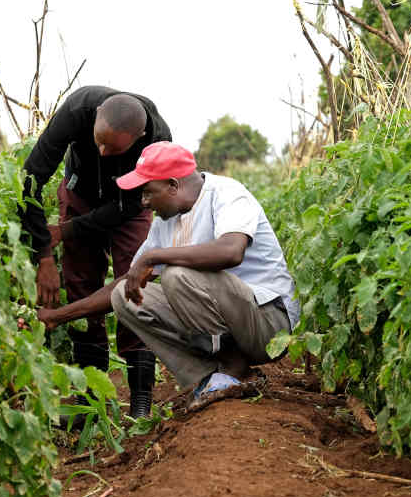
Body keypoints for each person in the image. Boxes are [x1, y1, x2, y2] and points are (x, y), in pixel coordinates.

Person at [37, 141, 300, 409]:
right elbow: (128, 281)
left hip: (268, 325)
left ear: (173, 185)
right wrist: (58, 317)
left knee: (176, 275)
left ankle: (235, 370)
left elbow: (231, 251)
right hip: (231, 322)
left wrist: (155, 257)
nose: (144, 202)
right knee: (123, 297)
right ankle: (210, 378)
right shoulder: (167, 221)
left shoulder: (227, 194)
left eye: (148, 192)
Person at [19, 86, 172, 419]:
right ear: (96, 116)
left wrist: (66, 230)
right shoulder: (76, 111)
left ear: (139, 138)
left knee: (135, 284)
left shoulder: (157, 138)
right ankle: (90, 397)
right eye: (98, 141)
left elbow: (129, 206)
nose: (102, 152)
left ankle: (141, 397)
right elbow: (30, 180)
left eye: (113, 148)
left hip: (129, 207)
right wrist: (44, 255)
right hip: (81, 193)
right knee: (80, 283)